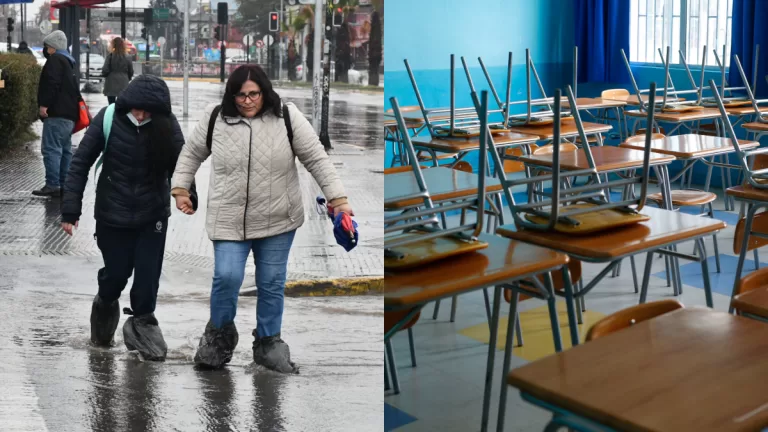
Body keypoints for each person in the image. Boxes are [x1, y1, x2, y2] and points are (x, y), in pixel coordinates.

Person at [171, 64, 354, 373]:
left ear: (264, 91)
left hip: (278, 218)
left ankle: (269, 343)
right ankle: (218, 336)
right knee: (226, 277)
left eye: (253, 93)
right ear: (232, 95)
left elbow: (316, 158)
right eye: (240, 95)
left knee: (271, 282)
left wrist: (339, 200)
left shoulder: (287, 117)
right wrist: (180, 189)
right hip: (229, 219)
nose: (247, 100)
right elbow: (190, 154)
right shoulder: (216, 118)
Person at [60, 75, 194, 362]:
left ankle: (143, 324)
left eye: (148, 110)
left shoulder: (166, 124)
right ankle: (104, 308)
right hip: (112, 213)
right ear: (128, 103)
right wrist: (70, 210)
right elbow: (80, 161)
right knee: (116, 274)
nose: (142, 114)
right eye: (137, 108)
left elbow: (183, 164)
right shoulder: (109, 118)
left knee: (147, 278)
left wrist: (187, 194)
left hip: (152, 215)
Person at [34, 30, 80, 197]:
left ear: (53, 47)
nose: (46, 50)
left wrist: (44, 105)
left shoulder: (55, 61)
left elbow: (51, 84)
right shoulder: (69, 62)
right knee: (65, 150)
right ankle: (63, 183)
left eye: (47, 47)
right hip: (69, 115)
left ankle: (52, 184)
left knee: (51, 149)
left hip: (57, 113)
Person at [102, 37, 134, 104]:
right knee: (122, 104)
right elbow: (131, 71)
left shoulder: (110, 56)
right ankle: (119, 114)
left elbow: (105, 69)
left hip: (111, 82)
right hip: (123, 81)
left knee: (111, 104)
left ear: (113, 45)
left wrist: (105, 74)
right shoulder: (127, 57)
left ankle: (112, 114)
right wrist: (128, 78)